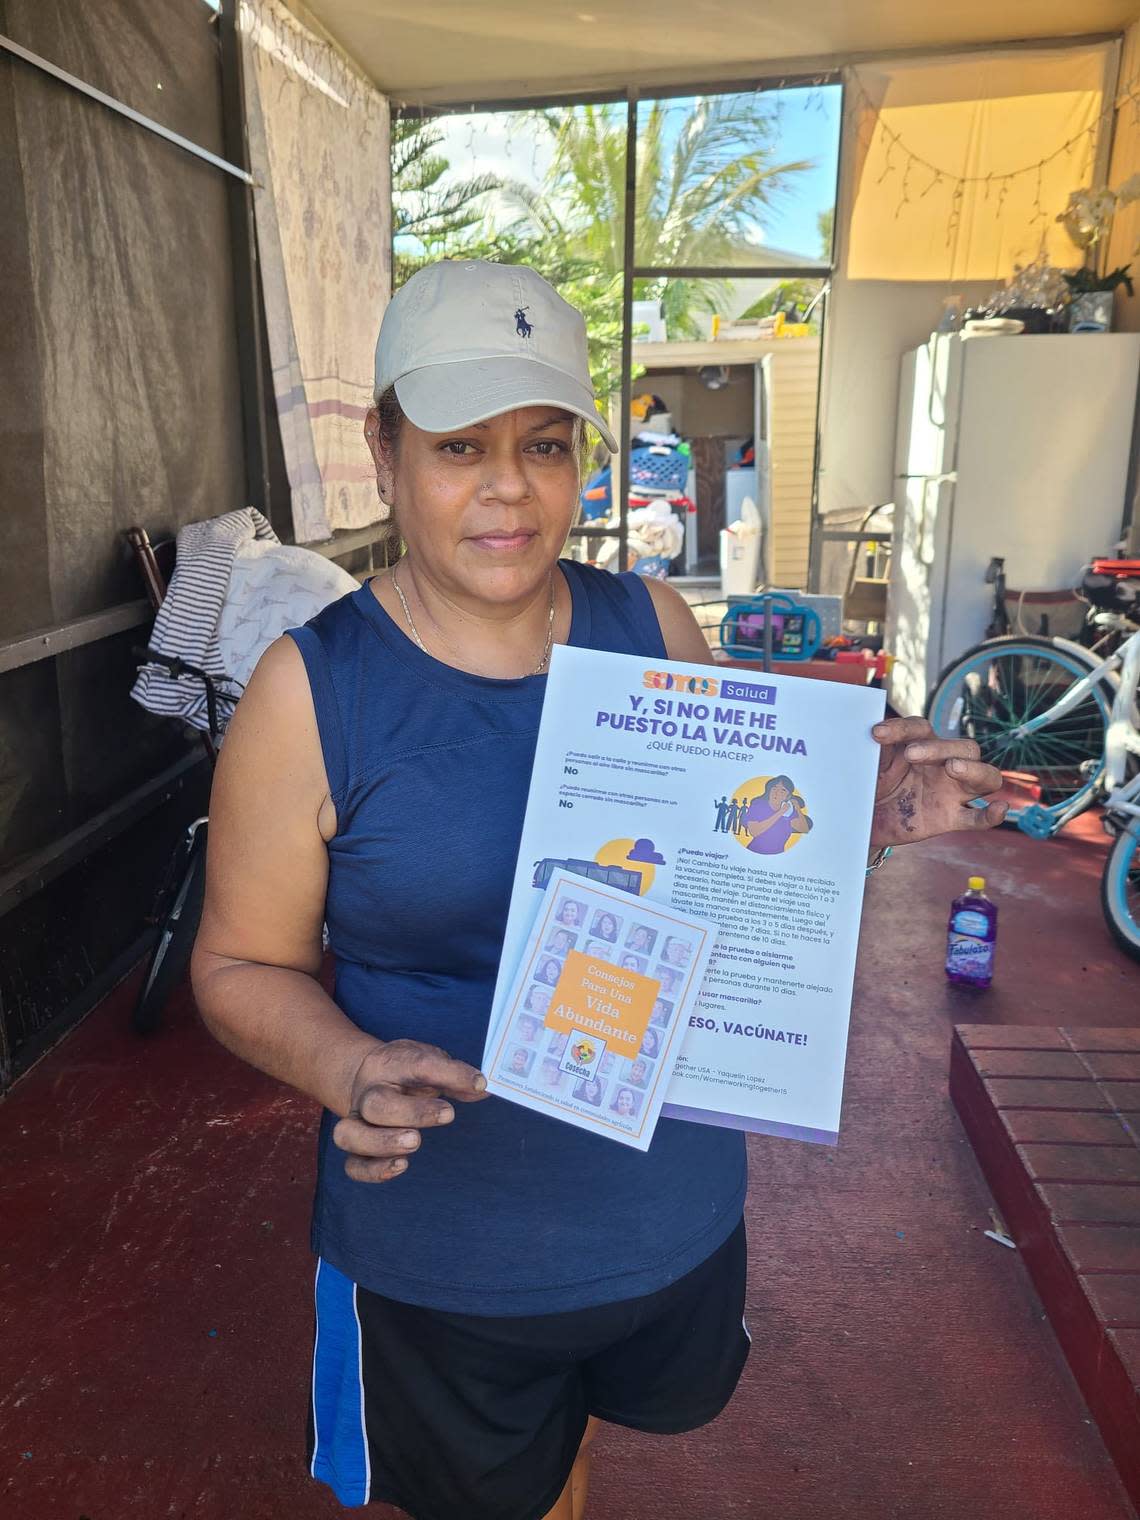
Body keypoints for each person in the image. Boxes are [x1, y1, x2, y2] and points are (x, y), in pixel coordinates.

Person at [191, 258, 1006, 1520]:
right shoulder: (312, 694)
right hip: (447, 1252)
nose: (509, 485)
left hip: (664, 1218)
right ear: (385, 449)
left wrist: (865, 826)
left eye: (546, 443)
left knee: (571, 1464)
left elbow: (741, 868)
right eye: (460, 445)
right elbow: (237, 964)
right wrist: (348, 1065)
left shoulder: (654, 627)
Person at [743, 775, 812, 856]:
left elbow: (805, 829)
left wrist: (797, 808)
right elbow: (754, 831)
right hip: (753, 853)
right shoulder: (758, 804)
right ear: (769, 790)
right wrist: (780, 812)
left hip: (778, 857)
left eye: (783, 790)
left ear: (788, 796)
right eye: (774, 788)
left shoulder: (789, 812)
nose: (776, 792)